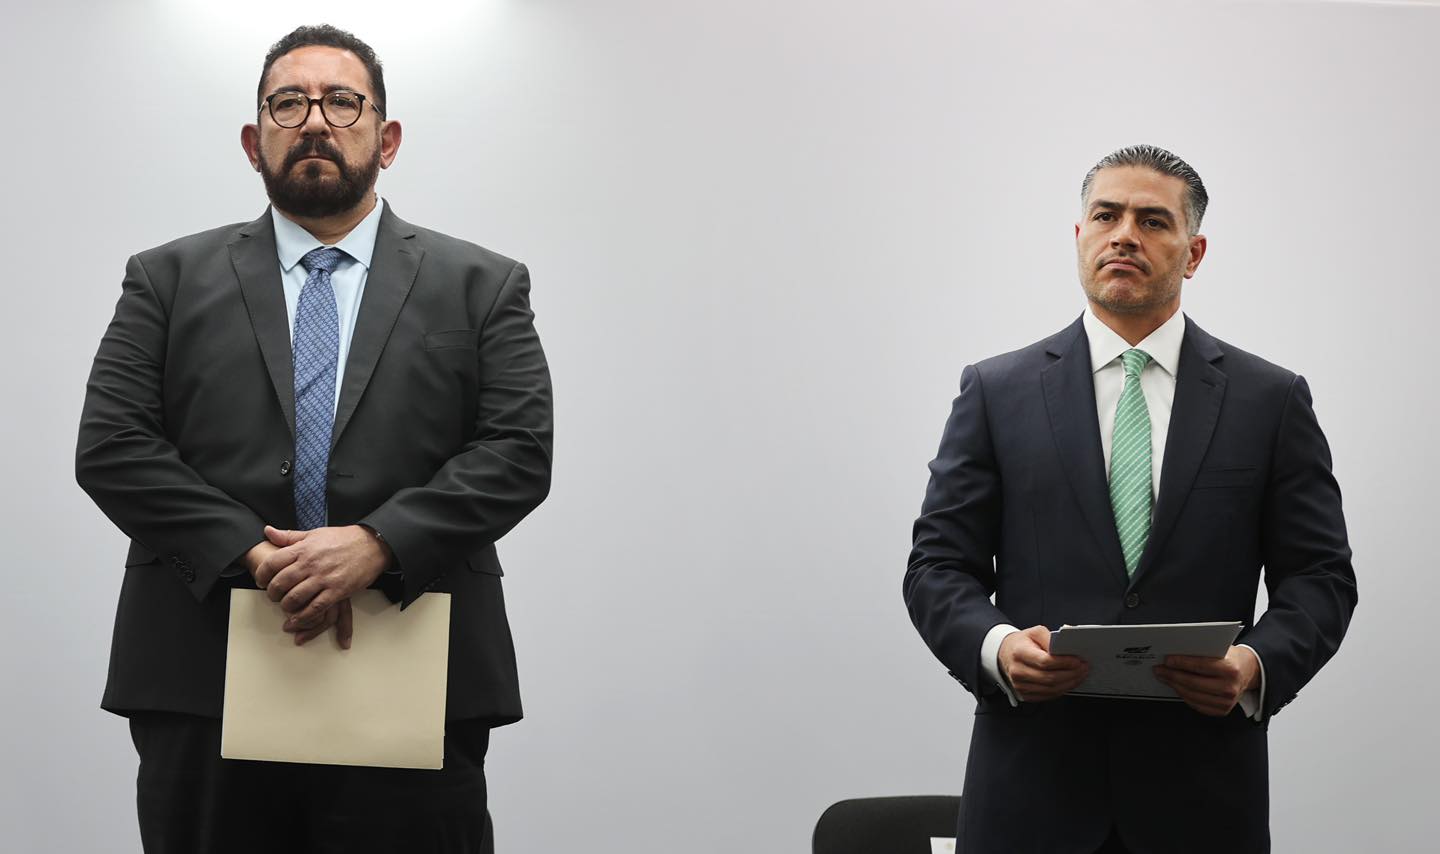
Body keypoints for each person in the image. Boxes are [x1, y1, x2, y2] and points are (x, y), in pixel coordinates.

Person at [75, 24, 551, 853]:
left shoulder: (482, 284)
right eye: (288, 103)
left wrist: (377, 542)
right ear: (253, 141)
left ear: (387, 139)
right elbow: (113, 445)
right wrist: (256, 553)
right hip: (205, 668)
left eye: (342, 102)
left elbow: (518, 451)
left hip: (415, 664)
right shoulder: (165, 278)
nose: (316, 121)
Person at [903, 145, 1356, 854]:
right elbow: (937, 566)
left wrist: (1254, 665)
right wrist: (998, 647)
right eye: (1106, 216)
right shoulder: (995, 392)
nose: (1123, 236)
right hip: (1031, 797)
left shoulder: (1270, 400)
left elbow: (1320, 578)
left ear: (1193, 253)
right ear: (1079, 236)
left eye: (1152, 221)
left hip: (1202, 802)